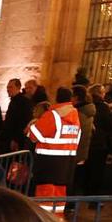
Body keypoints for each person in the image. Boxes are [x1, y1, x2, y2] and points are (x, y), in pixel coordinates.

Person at [28, 87, 81, 215]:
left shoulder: (53, 115)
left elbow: (34, 135)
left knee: (44, 199)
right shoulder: (74, 115)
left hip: (48, 164)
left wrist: (32, 125)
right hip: (66, 165)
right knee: (59, 198)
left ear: (56, 98)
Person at [0, 78, 34, 153]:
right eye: (7, 87)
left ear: (18, 88)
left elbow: (23, 122)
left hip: (15, 140)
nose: (8, 89)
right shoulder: (13, 101)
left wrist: (16, 139)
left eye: (10, 87)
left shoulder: (24, 102)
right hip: (8, 138)